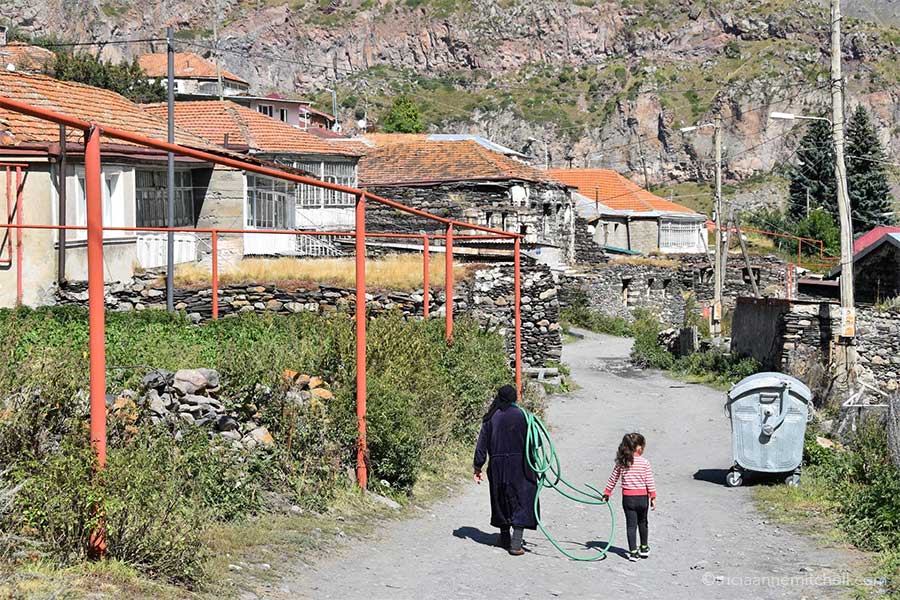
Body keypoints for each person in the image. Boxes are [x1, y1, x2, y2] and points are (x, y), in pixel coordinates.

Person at [473, 384, 538, 556]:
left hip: (497, 465)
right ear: (514, 398)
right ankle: (516, 544)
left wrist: (477, 466)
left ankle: (504, 538)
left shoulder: (490, 417)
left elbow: (481, 445)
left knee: (500, 498)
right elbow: (536, 442)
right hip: (521, 464)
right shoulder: (523, 416)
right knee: (521, 499)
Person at [602, 432, 656, 562]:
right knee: (643, 522)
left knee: (631, 526)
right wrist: (653, 496)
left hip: (628, 499)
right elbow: (649, 480)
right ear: (638, 448)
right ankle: (644, 547)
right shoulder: (645, 463)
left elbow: (613, 478)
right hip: (642, 498)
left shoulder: (623, 462)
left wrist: (607, 492)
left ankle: (633, 552)